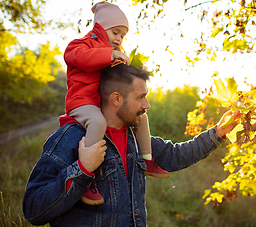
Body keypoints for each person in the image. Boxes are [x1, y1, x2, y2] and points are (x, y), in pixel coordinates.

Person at [22, 63, 240, 226]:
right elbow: (33, 209)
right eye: (141, 97)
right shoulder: (70, 137)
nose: (147, 104)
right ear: (116, 99)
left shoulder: (134, 138)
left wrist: (218, 133)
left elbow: (176, 155)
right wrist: (82, 169)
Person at [64, 1, 168, 205]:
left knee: (142, 118)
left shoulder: (114, 52)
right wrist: (110, 55)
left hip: (99, 102)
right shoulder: (80, 45)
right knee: (98, 122)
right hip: (82, 101)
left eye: (123, 35)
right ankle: (85, 176)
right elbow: (79, 58)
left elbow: (119, 79)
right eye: (115, 32)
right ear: (100, 28)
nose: (119, 39)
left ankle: (146, 160)